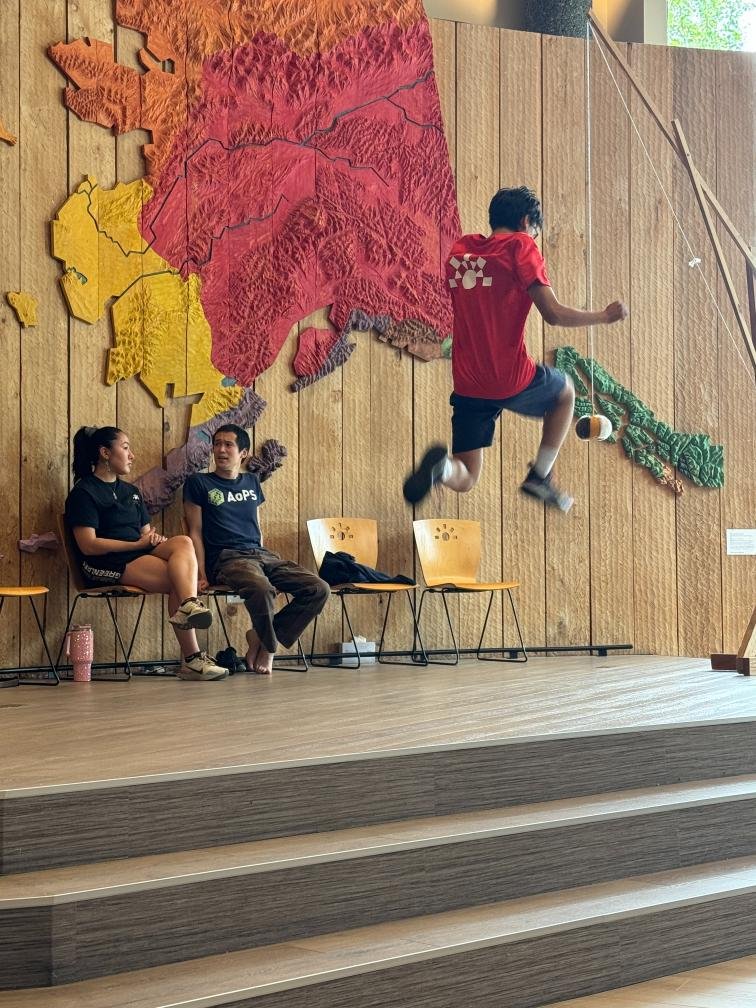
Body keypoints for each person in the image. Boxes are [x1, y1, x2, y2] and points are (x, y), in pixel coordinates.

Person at [403, 186, 628, 511]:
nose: (534, 240)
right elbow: (553, 314)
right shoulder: (521, 246)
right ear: (526, 221)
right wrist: (604, 316)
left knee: (466, 476)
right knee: (565, 390)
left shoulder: (461, 252)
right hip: (507, 374)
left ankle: (443, 469)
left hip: (468, 382)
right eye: (535, 232)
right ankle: (540, 476)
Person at [65, 426, 228, 682]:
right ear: (105, 452)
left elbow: (145, 533)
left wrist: (153, 539)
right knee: (180, 581)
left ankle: (188, 607)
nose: (132, 455)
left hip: (137, 553)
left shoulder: (131, 492)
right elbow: (88, 545)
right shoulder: (84, 493)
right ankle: (192, 659)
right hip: (104, 563)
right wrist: (138, 545)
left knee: (183, 542)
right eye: (126, 447)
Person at [184, 424, 330, 675]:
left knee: (319, 588)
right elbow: (194, 532)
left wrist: (264, 556)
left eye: (228, 444)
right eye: (217, 443)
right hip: (227, 558)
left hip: (262, 554)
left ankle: (259, 636)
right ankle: (269, 648)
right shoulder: (199, 483)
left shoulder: (251, 482)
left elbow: (257, 525)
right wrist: (200, 573)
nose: (220, 449)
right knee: (262, 589)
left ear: (243, 453)